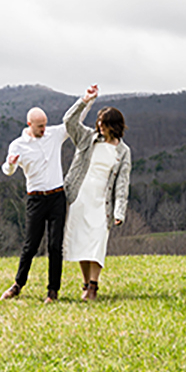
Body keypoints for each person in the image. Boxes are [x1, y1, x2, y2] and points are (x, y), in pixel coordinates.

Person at [62, 84, 131, 302]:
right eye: (99, 122)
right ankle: (85, 284)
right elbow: (69, 121)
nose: (100, 126)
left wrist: (119, 211)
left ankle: (94, 286)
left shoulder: (123, 151)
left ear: (114, 126)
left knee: (98, 241)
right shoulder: (87, 138)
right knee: (82, 242)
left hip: (102, 203)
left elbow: (122, 183)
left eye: (105, 123)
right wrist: (85, 100)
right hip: (80, 198)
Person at [0, 104, 71, 303]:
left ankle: (53, 291)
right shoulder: (18, 145)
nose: (43, 129)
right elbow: (7, 170)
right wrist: (11, 163)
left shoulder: (53, 135)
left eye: (45, 125)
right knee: (30, 246)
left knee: (55, 245)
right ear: (29, 124)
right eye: (39, 126)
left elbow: (72, 119)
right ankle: (18, 285)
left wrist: (87, 99)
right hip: (36, 199)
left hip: (57, 196)